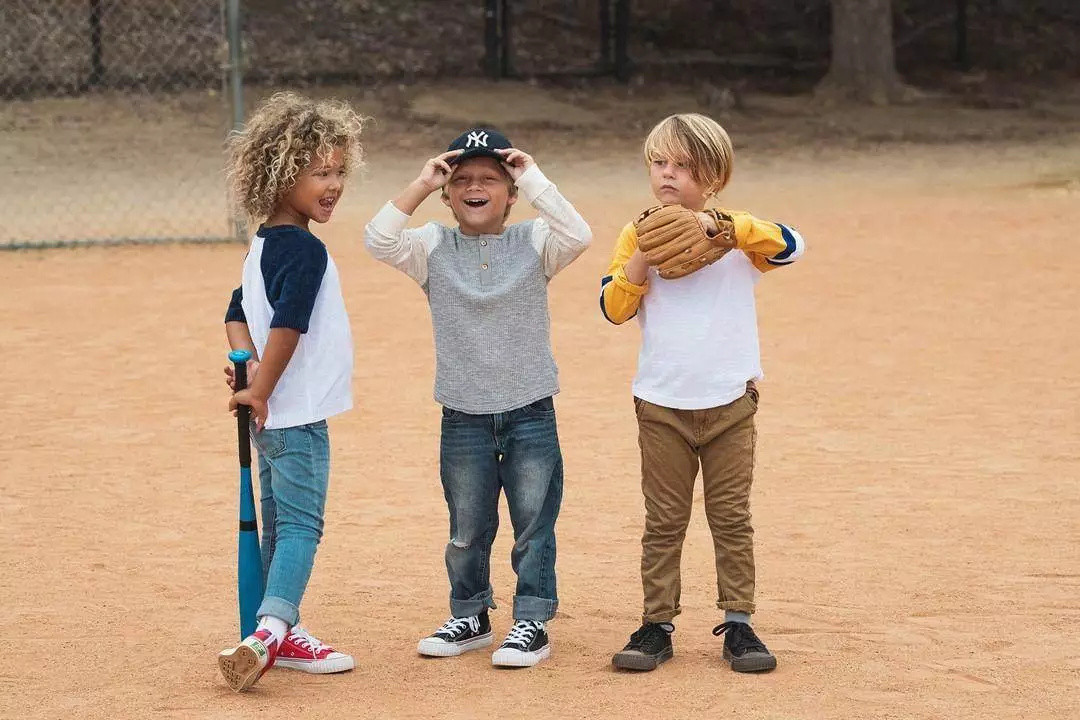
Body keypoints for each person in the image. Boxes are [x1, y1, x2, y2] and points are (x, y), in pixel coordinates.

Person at [364, 127, 591, 667]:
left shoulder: (535, 243)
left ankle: (531, 621)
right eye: (461, 178)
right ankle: (470, 615)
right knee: (467, 526)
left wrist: (530, 175)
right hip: (463, 412)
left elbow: (578, 234)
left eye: (489, 178)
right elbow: (378, 239)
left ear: (509, 193)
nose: (474, 187)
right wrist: (422, 182)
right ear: (447, 193)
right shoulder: (431, 246)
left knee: (534, 522)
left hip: (530, 409)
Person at [601, 113, 805, 673]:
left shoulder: (741, 236)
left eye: (683, 165)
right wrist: (643, 255)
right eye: (659, 163)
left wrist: (728, 228)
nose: (667, 174)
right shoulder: (635, 232)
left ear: (713, 176)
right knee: (664, 520)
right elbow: (614, 309)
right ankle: (655, 624)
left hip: (730, 404)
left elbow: (793, 245)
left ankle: (739, 624)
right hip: (661, 403)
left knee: (731, 517)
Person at [217, 92, 363, 691]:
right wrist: (261, 388)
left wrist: (248, 369)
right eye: (318, 173)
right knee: (302, 527)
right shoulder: (303, 249)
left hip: (272, 417)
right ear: (280, 175)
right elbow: (288, 323)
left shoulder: (262, 243)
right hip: (296, 415)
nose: (332, 185)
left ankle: (286, 632)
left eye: (337, 173)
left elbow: (234, 313)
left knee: (277, 526)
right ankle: (270, 631)